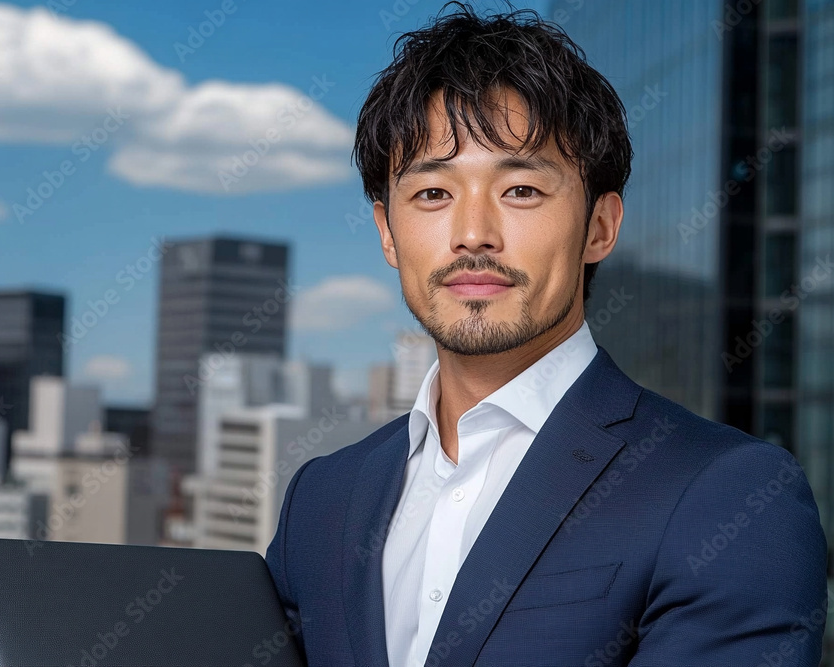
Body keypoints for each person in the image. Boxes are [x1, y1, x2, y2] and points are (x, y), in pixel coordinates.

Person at [265, 4, 828, 666]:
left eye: (523, 189)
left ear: (600, 227)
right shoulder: (322, 500)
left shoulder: (727, 495)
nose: (473, 232)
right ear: (388, 232)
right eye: (432, 195)